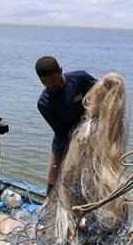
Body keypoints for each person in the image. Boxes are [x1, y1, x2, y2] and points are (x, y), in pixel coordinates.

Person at [35, 56, 97, 194]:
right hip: (65, 136)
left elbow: (101, 92)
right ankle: (49, 199)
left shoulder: (81, 78)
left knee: (94, 170)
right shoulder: (44, 103)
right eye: (46, 84)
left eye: (54, 81)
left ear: (61, 71)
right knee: (56, 168)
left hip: (91, 129)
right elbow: (61, 131)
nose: (52, 86)